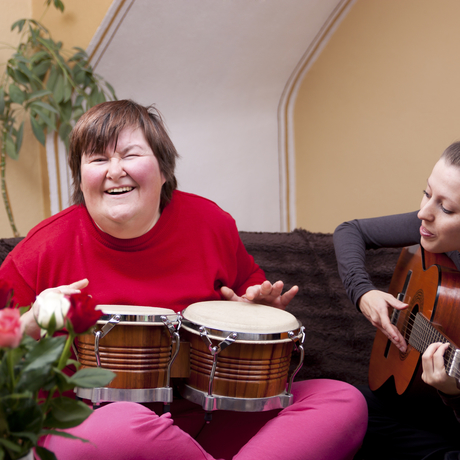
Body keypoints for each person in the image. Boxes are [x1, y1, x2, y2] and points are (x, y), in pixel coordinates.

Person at [0, 100, 367, 460]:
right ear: (81, 177)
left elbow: (249, 291)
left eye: (130, 155)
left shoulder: (210, 223)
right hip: (98, 429)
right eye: (98, 159)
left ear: (163, 170)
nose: (114, 170)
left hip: (211, 420)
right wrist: (30, 321)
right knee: (122, 425)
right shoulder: (43, 248)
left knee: (342, 400)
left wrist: (257, 308)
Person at [334, 141, 460, 460]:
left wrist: (453, 392)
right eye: (427, 193)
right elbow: (350, 231)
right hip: (419, 409)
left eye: (446, 208)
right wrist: (363, 293)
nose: (423, 212)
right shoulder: (432, 228)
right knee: (341, 409)